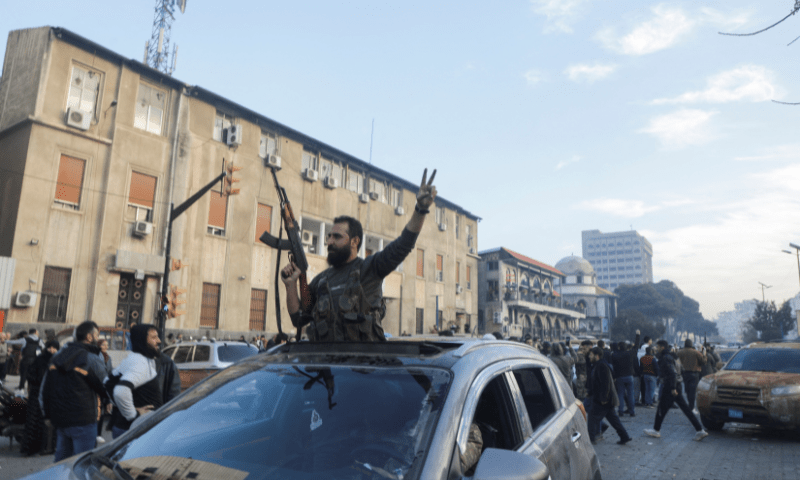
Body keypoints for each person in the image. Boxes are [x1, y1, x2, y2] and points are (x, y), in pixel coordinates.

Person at [282, 168, 437, 342]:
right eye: (329, 236)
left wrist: (420, 209)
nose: (330, 241)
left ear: (354, 242)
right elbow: (299, 319)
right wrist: (291, 285)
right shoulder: (321, 281)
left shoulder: (369, 269)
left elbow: (403, 245)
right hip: (326, 366)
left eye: (337, 237)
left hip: (362, 365)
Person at [40, 321, 107, 462]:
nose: (98, 338)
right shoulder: (92, 359)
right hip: (84, 421)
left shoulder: (57, 357)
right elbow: (105, 386)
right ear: (89, 337)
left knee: (62, 463)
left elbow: (45, 390)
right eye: (97, 335)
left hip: (61, 420)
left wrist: (47, 415)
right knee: (82, 464)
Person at [644, 340, 709, 442]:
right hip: (676, 385)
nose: (656, 348)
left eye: (657, 346)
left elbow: (672, 373)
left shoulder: (666, 358)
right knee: (684, 409)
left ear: (662, 347)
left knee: (663, 407)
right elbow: (681, 370)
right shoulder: (674, 356)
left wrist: (673, 387)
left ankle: (656, 430)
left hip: (670, 386)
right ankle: (699, 429)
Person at [109, 324, 164, 438]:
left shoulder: (138, 359)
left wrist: (118, 406)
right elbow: (120, 391)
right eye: (153, 337)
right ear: (142, 341)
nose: (158, 341)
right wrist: (133, 415)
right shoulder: (140, 363)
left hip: (132, 429)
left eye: (157, 337)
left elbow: (107, 382)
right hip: (135, 431)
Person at [21, 339, 59, 456]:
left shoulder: (58, 362)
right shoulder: (40, 359)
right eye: (50, 347)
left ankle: (48, 447)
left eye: (54, 348)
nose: (52, 350)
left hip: (52, 396)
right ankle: (31, 448)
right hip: (36, 395)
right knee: (34, 422)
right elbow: (30, 373)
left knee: (48, 423)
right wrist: (38, 382)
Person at [587, 347, 631, 445]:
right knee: (614, 420)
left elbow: (605, 383)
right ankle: (624, 436)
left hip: (603, 400)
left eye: (591, 355)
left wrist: (603, 398)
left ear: (596, 356)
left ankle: (591, 439)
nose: (589, 356)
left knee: (592, 417)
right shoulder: (598, 364)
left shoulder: (602, 366)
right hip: (605, 399)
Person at [676, 339, 706, 412]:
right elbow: (703, 362)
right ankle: (691, 406)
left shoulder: (679, 352)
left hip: (684, 373)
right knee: (692, 391)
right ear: (691, 344)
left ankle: (689, 404)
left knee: (687, 390)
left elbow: (677, 362)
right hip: (694, 373)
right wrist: (704, 354)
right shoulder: (696, 352)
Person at [96, 339, 114, 444]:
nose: (106, 346)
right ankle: (97, 434)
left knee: (102, 411)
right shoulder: (97, 356)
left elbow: (110, 371)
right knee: (99, 411)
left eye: (107, 344)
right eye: (103, 344)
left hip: (105, 385)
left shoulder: (108, 357)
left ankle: (98, 433)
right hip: (99, 386)